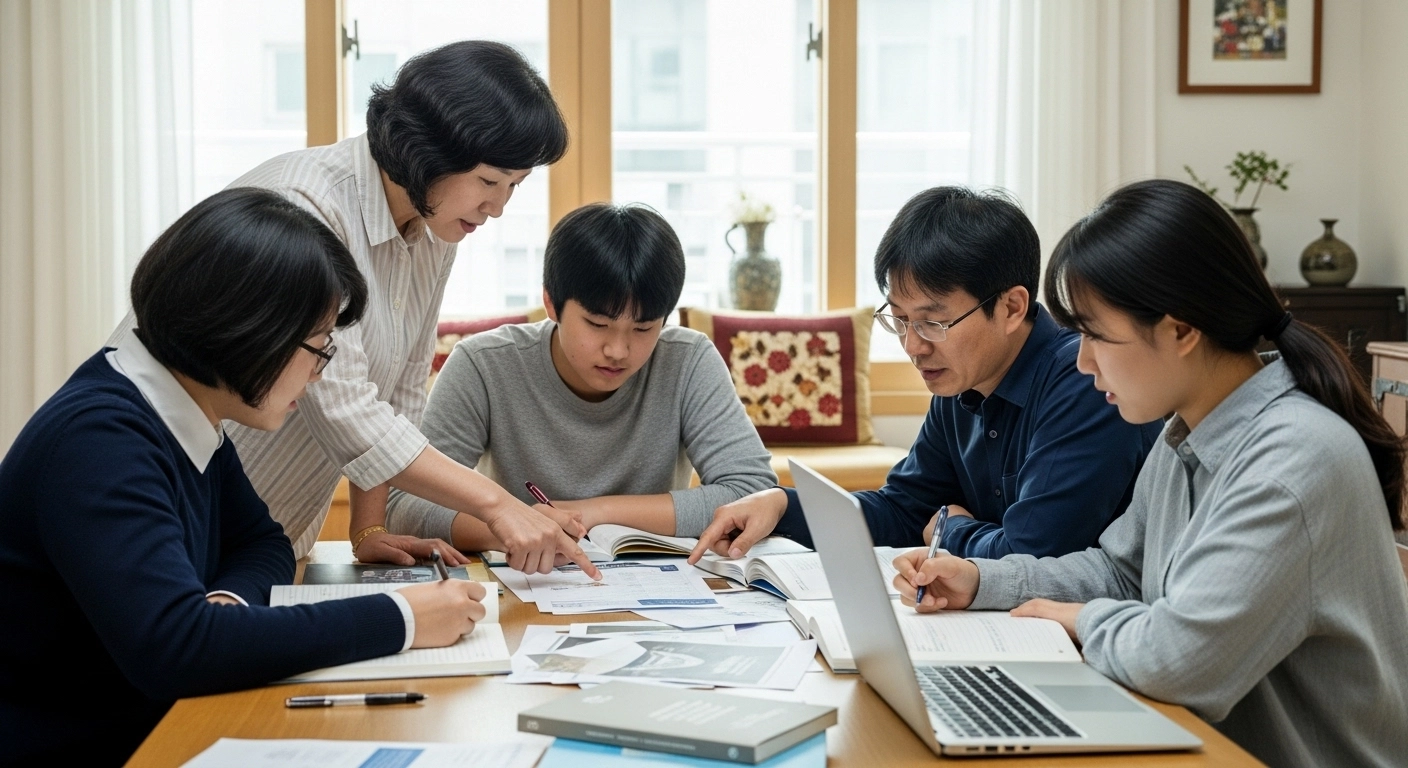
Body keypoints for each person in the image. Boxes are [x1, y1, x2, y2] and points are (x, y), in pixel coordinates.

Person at [891, 179, 1408, 767]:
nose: (1082, 361)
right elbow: (1120, 569)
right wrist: (982, 580)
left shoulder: (1293, 461)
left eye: (1095, 335)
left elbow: (1180, 661)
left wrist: (1083, 619)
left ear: (1180, 330)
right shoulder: (1184, 432)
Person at [0, 189, 489, 766]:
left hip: (163, 725)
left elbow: (262, 542)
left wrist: (226, 604)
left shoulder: (182, 412)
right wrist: (402, 617)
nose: (319, 373)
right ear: (248, 331)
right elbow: (176, 649)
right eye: (318, 347)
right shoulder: (100, 440)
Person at [107, 40, 600, 578]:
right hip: (166, 508)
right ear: (428, 149)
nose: (498, 208)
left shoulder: (434, 227)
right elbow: (342, 405)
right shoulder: (309, 207)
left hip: (261, 540)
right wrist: (499, 505)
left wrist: (368, 528)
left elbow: (401, 389)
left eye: (514, 187)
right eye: (488, 181)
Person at [689, 187, 1161, 564]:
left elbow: (1033, 555)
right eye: (899, 320)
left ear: (1012, 307)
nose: (914, 346)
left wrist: (950, 530)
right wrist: (782, 505)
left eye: (934, 322)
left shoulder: (1087, 381)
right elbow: (904, 509)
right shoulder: (960, 379)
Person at [383, 203, 777, 547]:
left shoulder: (687, 360)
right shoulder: (483, 364)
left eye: (643, 328)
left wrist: (593, 513)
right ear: (551, 303)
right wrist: (513, 530)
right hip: (523, 580)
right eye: (597, 325)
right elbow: (406, 504)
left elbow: (752, 493)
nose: (618, 350)